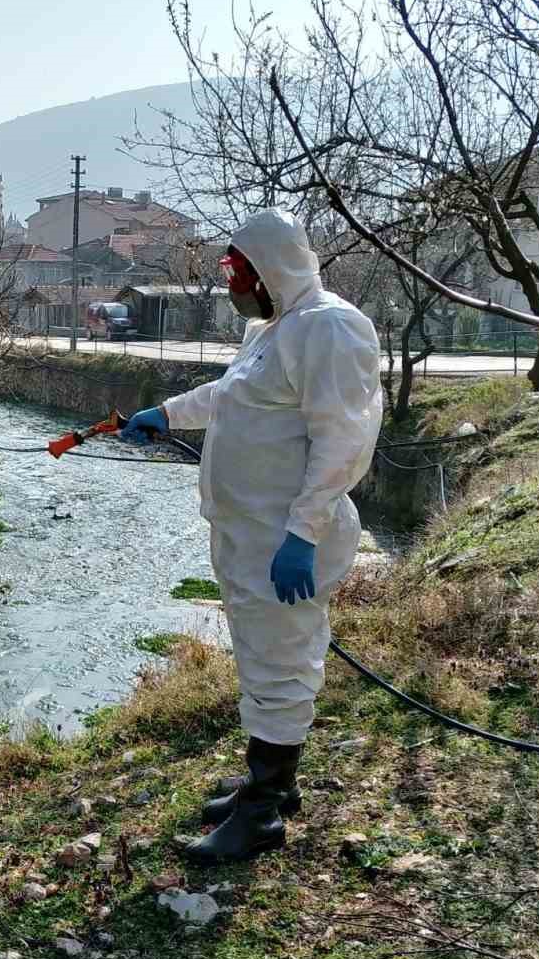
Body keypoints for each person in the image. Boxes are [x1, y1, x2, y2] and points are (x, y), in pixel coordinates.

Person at [120, 211, 382, 863]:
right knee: (261, 659)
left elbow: (343, 440)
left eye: (239, 275)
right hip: (251, 534)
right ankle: (271, 784)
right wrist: (168, 414)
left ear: (271, 269)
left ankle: (263, 812)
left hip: (286, 540)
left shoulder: (329, 327)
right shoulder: (274, 330)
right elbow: (232, 396)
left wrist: (304, 533)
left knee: (281, 664)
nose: (233, 287)